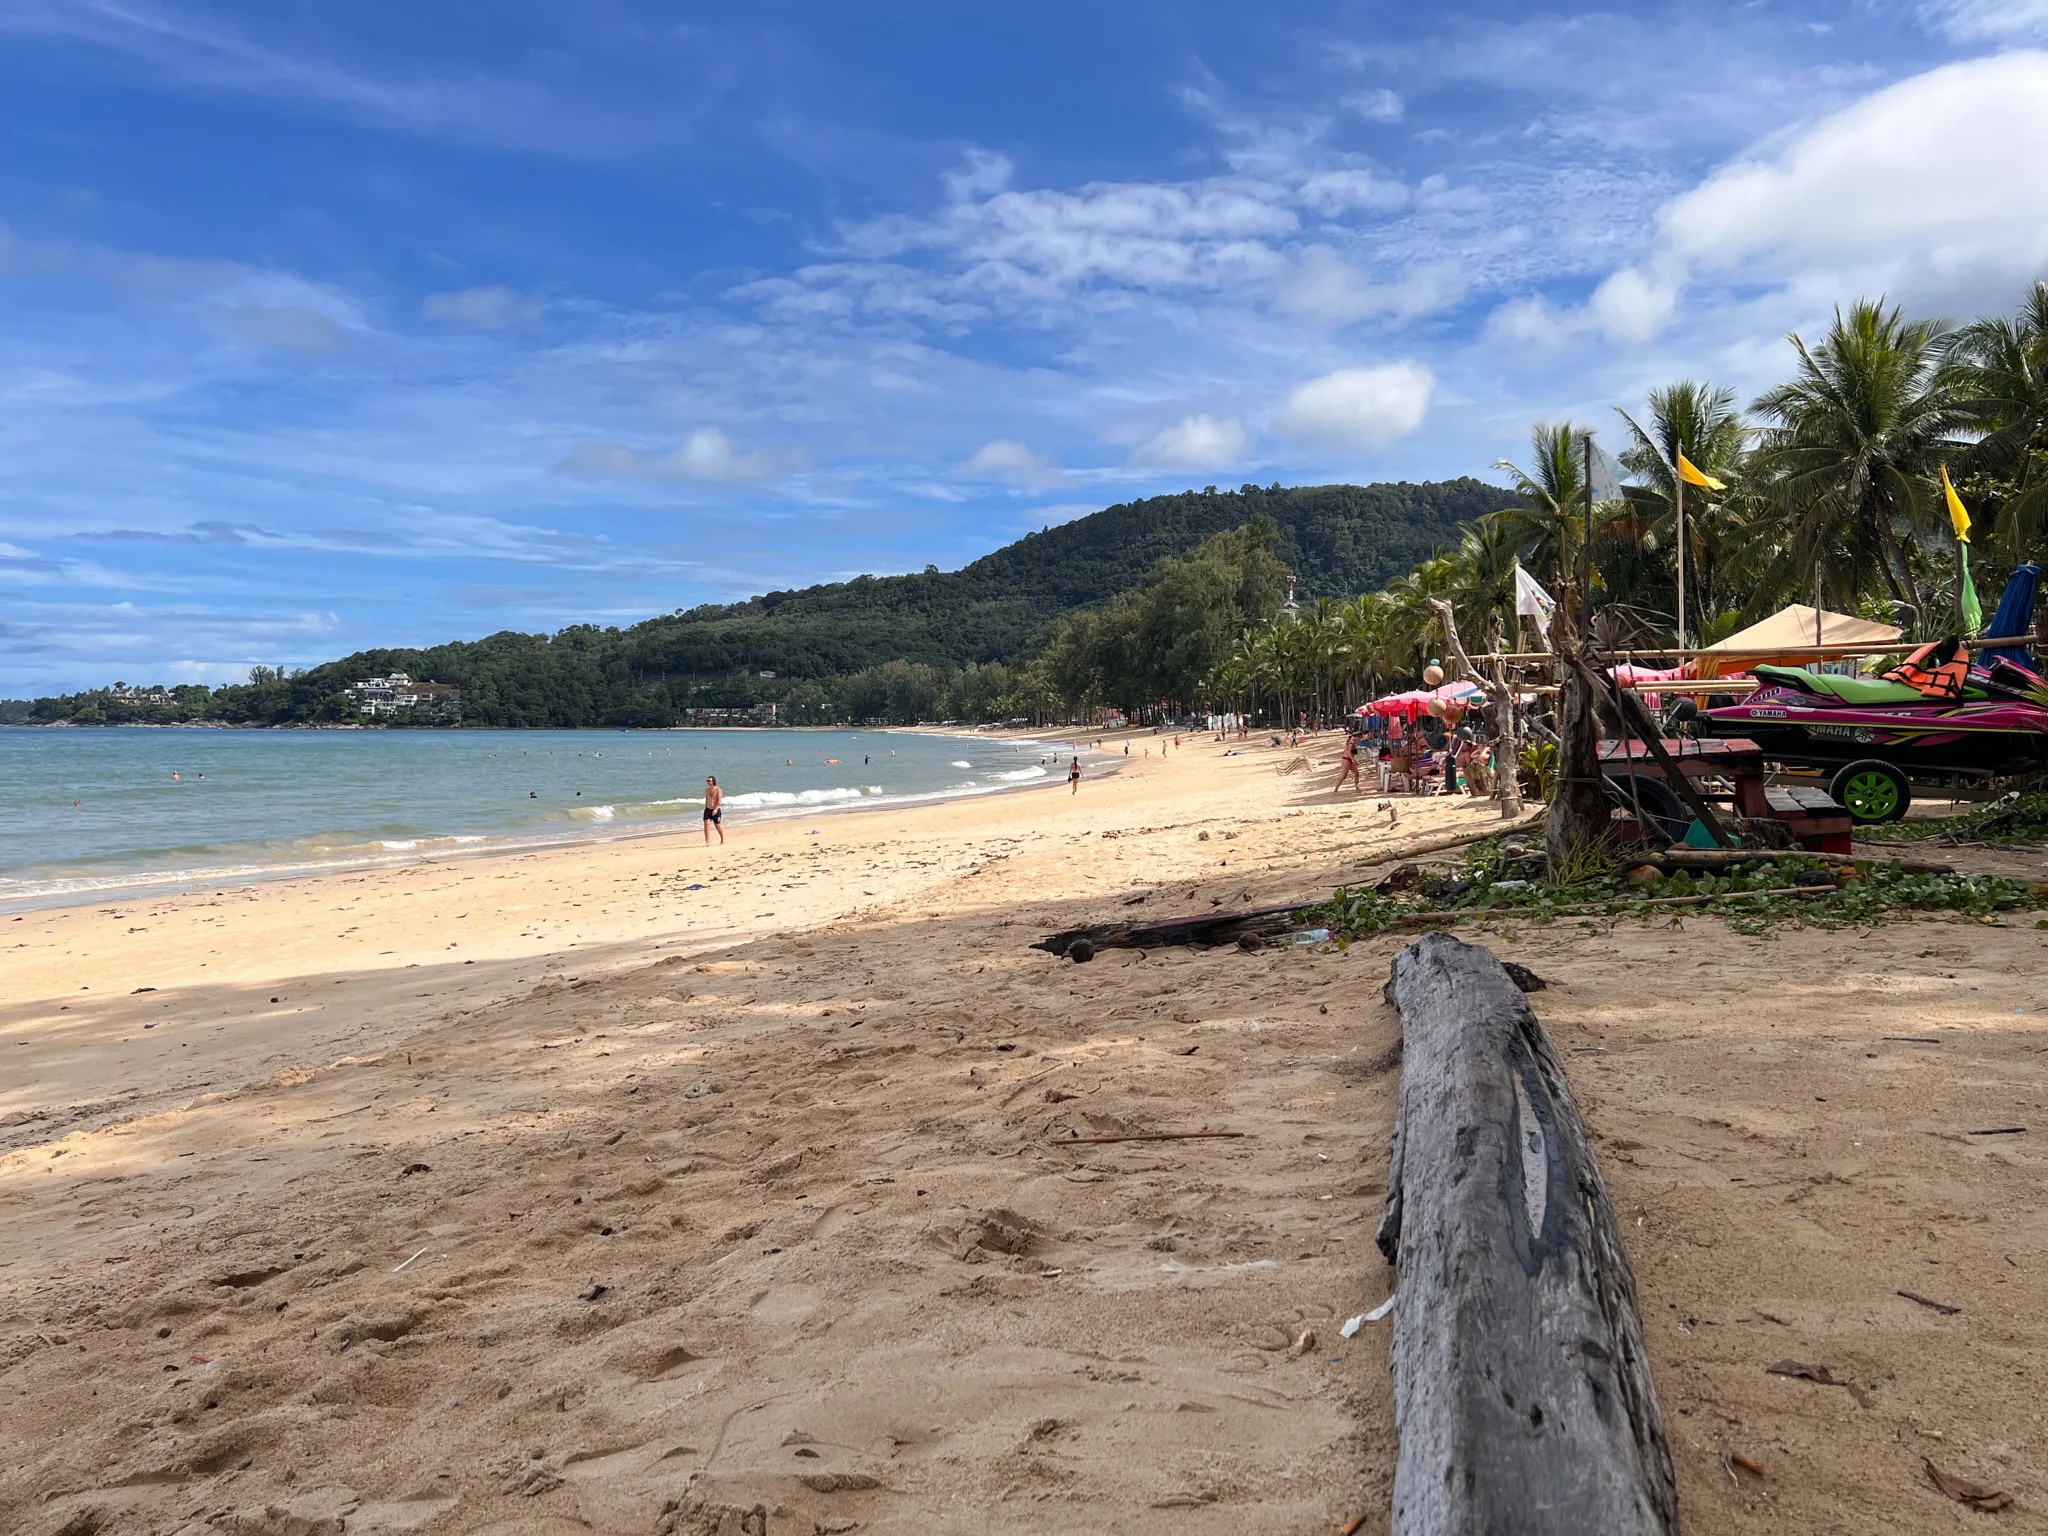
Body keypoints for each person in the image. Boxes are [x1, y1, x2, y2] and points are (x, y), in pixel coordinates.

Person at [1334, 730, 1363, 795]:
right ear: (1357, 737)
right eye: (1360, 738)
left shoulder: (1352, 741)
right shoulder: (1351, 743)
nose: (1360, 739)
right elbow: (1349, 752)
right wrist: (1353, 760)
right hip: (1347, 759)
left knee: (1356, 773)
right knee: (1344, 775)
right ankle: (1336, 789)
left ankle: (1357, 787)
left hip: (1349, 760)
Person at [703, 775, 724, 844]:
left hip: (715, 809)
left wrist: (716, 809)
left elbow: (719, 801)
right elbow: (707, 800)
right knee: (706, 824)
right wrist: (705, 808)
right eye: (707, 781)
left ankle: (722, 838)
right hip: (708, 809)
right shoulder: (707, 790)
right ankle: (707, 841)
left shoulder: (718, 789)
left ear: (713, 781)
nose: (708, 782)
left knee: (717, 825)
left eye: (709, 781)